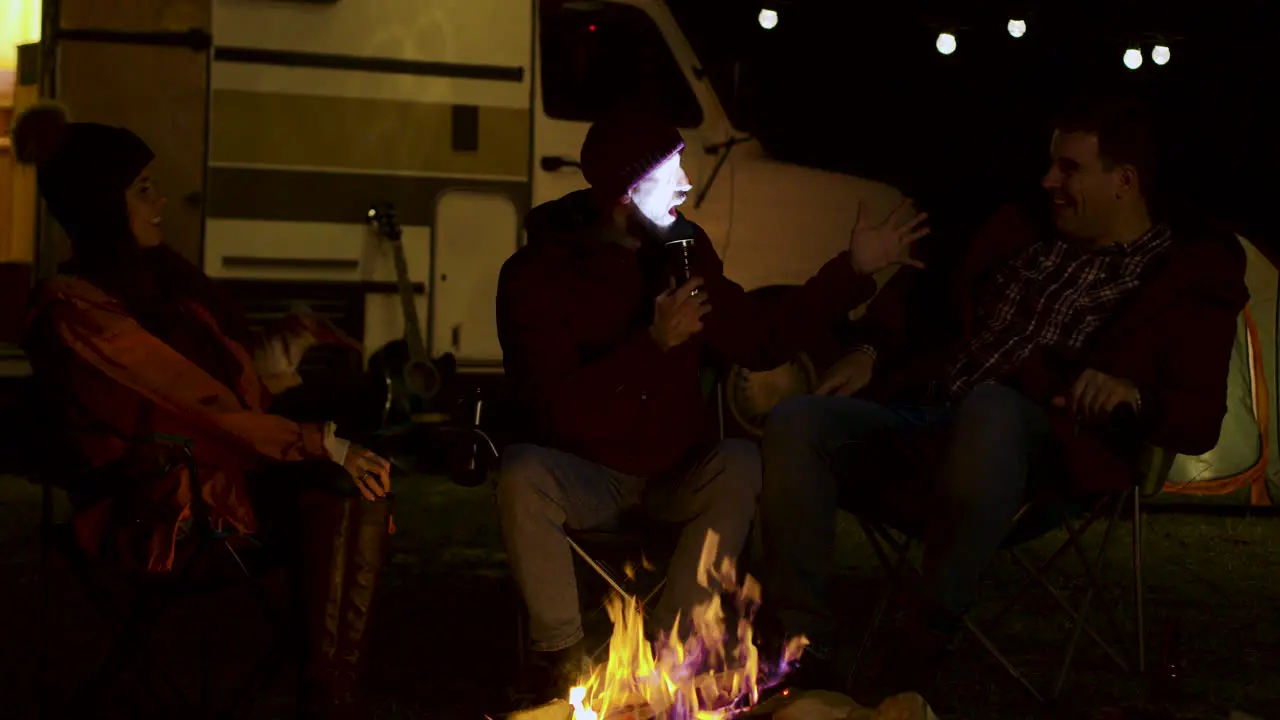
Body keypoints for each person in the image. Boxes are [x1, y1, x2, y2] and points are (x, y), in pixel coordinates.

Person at [759, 97, 1249, 696]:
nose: (1048, 182)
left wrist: (1133, 395)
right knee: (797, 420)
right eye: (1050, 166)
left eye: (1068, 168)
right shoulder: (1022, 237)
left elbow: (1199, 420)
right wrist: (870, 351)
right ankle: (803, 645)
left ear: (1124, 182)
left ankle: (923, 638)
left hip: (1049, 455)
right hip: (930, 423)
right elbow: (923, 294)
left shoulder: (1182, 280)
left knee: (991, 406)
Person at [495, 112, 929, 701]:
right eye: (670, 171)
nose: (685, 185)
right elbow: (553, 409)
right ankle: (560, 660)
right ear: (626, 193)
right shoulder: (538, 275)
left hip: (674, 471)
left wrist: (851, 270)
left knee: (739, 461)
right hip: (586, 472)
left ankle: (670, 654)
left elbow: (760, 337)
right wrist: (651, 347)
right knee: (521, 473)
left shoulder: (681, 250)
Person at [13, 103, 391, 718]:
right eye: (142, 189)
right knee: (334, 483)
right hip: (156, 507)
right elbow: (191, 400)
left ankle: (332, 690)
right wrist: (318, 442)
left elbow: (222, 389)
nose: (160, 200)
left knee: (352, 480)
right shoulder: (79, 310)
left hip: (210, 472)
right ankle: (329, 697)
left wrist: (281, 359)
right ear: (103, 203)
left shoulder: (156, 288)